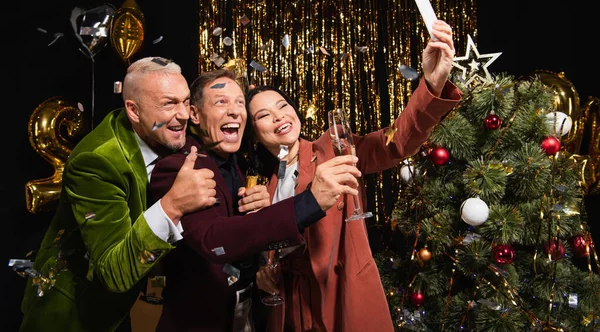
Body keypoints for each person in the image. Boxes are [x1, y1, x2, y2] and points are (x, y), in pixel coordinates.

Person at [247, 19, 462, 332]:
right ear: (255, 134)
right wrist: (266, 272)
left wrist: (431, 86)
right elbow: (270, 251)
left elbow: (396, 142)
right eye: (264, 115)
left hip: (341, 298)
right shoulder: (265, 187)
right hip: (291, 313)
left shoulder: (334, 147)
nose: (278, 115)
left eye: (282, 105)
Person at [148, 68, 362, 331]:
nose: (235, 110)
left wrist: (262, 262)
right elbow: (215, 240)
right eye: (221, 102)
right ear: (194, 114)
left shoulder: (241, 166)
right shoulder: (178, 168)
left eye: (240, 103)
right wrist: (309, 202)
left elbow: (248, 240)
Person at [19, 57, 219, 332]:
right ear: (133, 111)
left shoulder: (158, 128)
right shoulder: (96, 162)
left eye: (185, 101)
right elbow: (114, 273)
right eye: (169, 103)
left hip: (123, 306)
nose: (184, 114)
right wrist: (172, 206)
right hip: (74, 312)